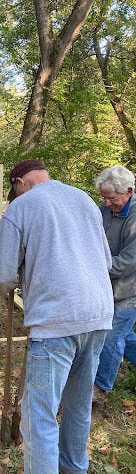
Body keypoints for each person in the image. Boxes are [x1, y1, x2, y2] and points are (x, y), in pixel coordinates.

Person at [0, 159, 114, 474]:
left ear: (19, 182)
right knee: (77, 406)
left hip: (56, 321)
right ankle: (74, 471)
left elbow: (3, 276)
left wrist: (13, 277)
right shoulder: (84, 199)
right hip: (98, 316)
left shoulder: (21, 207)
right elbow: (107, 261)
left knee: (40, 416)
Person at [93, 165, 136, 401]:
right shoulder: (106, 209)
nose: (107, 204)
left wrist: (94, 267)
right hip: (108, 286)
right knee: (125, 335)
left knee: (111, 337)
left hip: (130, 290)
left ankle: (101, 388)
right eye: (104, 199)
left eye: (111, 198)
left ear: (128, 191)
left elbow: (128, 262)